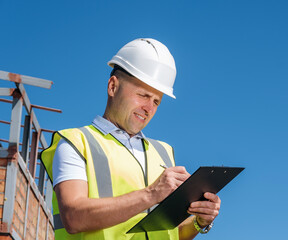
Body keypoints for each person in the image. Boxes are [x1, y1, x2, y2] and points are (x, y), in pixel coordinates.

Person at [41, 38, 221, 240]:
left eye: (156, 101)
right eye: (143, 95)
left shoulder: (163, 152)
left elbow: (171, 233)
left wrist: (199, 221)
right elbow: (74, 217)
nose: (149, 108)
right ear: (112, 86)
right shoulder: (77, 142)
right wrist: (151, 194)